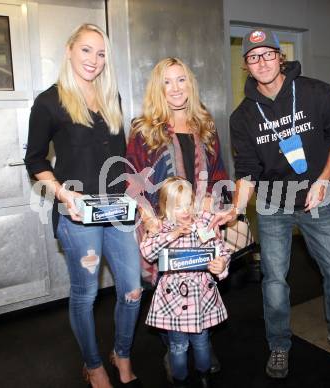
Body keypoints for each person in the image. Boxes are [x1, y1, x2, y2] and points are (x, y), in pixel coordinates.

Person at [210, 28, 330, 379]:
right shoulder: (243, 117)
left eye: (268, 54)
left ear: (280, 57)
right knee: (273, 280)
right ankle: (279, 344)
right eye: (254, 57)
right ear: (246, 66)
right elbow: (248, 171)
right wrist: (236, 209)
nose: (262, 62)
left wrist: (324, 179)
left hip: (318, 198)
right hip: (272, 204)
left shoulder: (315, 92)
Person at [24, 23, 142, 388]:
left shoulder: (112, 98)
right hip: (78, 216)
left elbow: (119, 157)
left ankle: (121, 353)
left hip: (117, 213)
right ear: (70, 50)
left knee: (133, 290)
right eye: (87, 50)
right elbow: (35, 160)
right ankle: (92, 365)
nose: (94, 59)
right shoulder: (49, 101)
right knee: (86, 294)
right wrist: (62, 193)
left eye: (101, 53)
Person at [126, 57, 228, 375]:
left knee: (203, 282)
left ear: (190, 84)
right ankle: (176, 347)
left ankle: (202, 340)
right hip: (164, 226)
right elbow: (132, 181)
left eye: (181, 80)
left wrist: (214, 203)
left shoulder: (205, 126)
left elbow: (219, 175)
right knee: (169, 291)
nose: (175, 88)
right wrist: (150, 218)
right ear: (158, 87)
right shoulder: (144, 130)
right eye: (167, 81)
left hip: (200, 225)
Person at [140, 177, 230, 388]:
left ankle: (204, 375)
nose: (185, 210)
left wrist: (221, 265)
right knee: (178, 346)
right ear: (165, 206)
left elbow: (222, 250)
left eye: (188, 203)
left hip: (202, 295)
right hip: (172, 298)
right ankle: (180, 380)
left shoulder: (203, 224)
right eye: (177, 206)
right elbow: (147, 251)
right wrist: (171, 235)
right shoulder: (160, 227)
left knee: (201, 342)